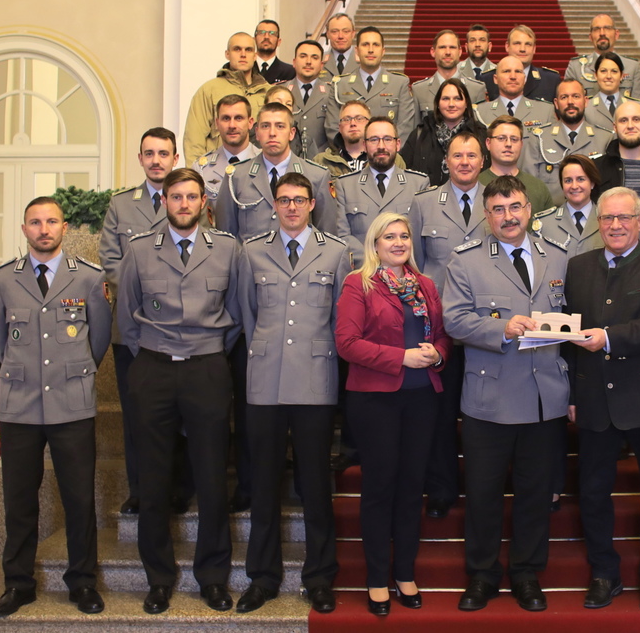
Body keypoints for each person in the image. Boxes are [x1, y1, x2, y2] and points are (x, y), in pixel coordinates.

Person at [443, 176, 570, 612]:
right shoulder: (466, 261)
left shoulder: (557, 257)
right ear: (486, 213)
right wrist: (502, 327)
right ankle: (481, 574)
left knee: (536, 492)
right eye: (498, 209)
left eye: (515, 207)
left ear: (529, 209)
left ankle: (526, 572)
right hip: (489, 398)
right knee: (482, 492)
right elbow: (454, 321)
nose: (508, 216)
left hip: (544, 395)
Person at [118, 168, 242, 615]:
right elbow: (129, 319)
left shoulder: (228, 250)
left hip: (207, 367)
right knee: (153, 480)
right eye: (176, 197)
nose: (184, 204)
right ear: (164, 202)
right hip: (153, 367)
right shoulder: (139, 251)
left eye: (192, 196)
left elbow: (237, 314)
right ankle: (159, 579)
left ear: (204, 202)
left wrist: (207, 351)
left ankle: (212, 577)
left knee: (211, 478)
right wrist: (154, 352)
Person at [0, 197, 111, 618]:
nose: (44, 229)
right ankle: (18, 584)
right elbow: (0, 343)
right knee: (20, 499)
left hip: (71, 403)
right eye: (35, 222)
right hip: (20, 406)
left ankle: (82, 583)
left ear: (64, 227)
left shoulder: (89, 279)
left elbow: (98, 340)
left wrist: (72, 373)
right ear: (24, 229)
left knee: (79, 498)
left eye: (52, 221)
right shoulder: (3, 279)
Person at [564, 186, 640, 613]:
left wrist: (610, 338)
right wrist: (573, 393)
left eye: (624, 218)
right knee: (593, 493)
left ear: (639, 220)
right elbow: (568, 335)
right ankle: (604, 574)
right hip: (595, 398)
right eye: (607, 219)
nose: (615, 226)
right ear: (598, 224)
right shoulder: (578, 267)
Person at [235, 172, 349, 615]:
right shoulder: (251, 252)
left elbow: (341, 320)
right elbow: (245, 312)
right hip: (265, 380)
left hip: (315, 379)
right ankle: (262, 577)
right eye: (284, 200)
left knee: (316, 484)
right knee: (263, 483)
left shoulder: (336, 252)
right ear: (274, 204)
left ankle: (320, 577)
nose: (292, 208)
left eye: (300, 200)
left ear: (313, 204)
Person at [335, 212, 452, 615]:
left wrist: (438, 353)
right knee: (380, 488)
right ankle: (375, 578)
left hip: (422, 398)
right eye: (390, 236)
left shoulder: (425, 285)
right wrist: (400, 357)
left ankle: (404, 572)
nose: (399, 242)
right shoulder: (359, 283)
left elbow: (440, 335)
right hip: (376, 400)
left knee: (411, 488)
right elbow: (347, 343)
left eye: (404, 236)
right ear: (375, 243)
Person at [409, 131, 488, 518]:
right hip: (439, 330)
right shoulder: (424, 204)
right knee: (439, 415)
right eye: (458, 155)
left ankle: (482, 485)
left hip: (488, 330)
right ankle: (441, 488)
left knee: (483, 414)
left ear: (483, 160)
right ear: (446, 160)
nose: (465, 162)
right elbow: (417, 269)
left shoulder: (498, 201)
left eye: (472, 155)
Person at [100, 128, 177, 517]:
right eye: (149, 153)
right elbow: (111, 261)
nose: (156, 160)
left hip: (175, 327)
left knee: (175, 417)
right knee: (136, 414)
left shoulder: (185, 198)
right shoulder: (121, 205)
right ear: (140, 158)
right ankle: (139, 491)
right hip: (130, 326)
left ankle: (176, 489)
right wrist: (147, 291)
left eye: (164, 153)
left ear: (175, 158)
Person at [216, 102, 334, 239]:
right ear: (257, 133)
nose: (272, 133)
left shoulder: (316, 176)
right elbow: (225, 238)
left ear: (291, 133)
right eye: (265, 126)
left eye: (280, 126)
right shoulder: (236, 176)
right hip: (250, 259)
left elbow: (327, 238)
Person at [337, 116, 430, 263]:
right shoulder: (345, 185)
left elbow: (421, 239)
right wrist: (373, 262)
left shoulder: (419, 183)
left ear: (397, 144)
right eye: (374, 140)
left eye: (387, 139)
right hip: (362, 275)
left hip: (405, 275)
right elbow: (342, 235)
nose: (381, 146)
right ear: (364, 145)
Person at [183, 32, 269, 165]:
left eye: (248, 50)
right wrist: (195, 179)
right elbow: (194, 139)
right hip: (216, 171)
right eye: (237, 49)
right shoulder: (209, 90)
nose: (243, 54)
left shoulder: (268, 92)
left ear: (255, 56)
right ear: (227, 54)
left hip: (259, 169)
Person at [522, 79, 613, 203]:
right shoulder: (539, 138)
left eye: (576, 96)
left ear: (586, 101)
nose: (570, 102)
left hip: (593, 216)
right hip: (550, 216)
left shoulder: (605, 138)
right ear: (556, 103)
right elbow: (530, 185)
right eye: (564, 97)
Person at [327, 26, 416, 141]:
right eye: (365, 45)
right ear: (357, 51)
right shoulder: (340, 85)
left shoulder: (399, 84)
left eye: (376, 45)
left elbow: (405, 128)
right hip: (348, 156)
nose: (370, 50)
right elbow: (333, 127)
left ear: (383, 51)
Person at [402, 79, 486, 187]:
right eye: (446, 99)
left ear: (466, 104)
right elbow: (406, 172)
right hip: (427, 200)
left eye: (457, 99)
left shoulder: (480, 134)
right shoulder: (421, 133)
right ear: (437, 103)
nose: (451, 104)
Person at [195, 95, 260, 222]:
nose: (232, 125)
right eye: (226, 118)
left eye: (238, 118)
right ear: (217, 123)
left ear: (250, 122)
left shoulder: (266, 163)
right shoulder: (201, 169)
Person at [479, 115, 553, 214]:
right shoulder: (475, 185)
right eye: (501, 138)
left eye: (514, 139)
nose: (508, 144)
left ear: (521, 144)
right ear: (488, 143)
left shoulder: (538, 187)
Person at [534, 154, 604, 257]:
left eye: (580, 179)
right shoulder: (544, 224)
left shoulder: (608, 220)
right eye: (568, 180)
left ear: (592, 183)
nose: (574, 186)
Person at [314, 100, 406, 176]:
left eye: (359, 118)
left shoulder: (392, 159)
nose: (353, 123)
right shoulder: (321, 161)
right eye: (347, 119)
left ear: (369, 124)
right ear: (340, 127)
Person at [565, 14, 640, 100]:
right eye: (596, 29)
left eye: (607, 28)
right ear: (590, 37)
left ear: (616, 34)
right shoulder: (576, 68)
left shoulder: (632, 67)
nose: (602, 33)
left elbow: (639, 106)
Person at [412, 30, 487, 119]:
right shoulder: (419, 90)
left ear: (459, 51)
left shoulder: (476, 89)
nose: (448, 52)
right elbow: (415, 129)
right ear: (433, 51)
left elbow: (480, 129)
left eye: (452, 47)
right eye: (442, 47)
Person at [478, 25, 560, 102]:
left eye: (528, 44)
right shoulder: (486, 80)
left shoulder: (551, 80)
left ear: (534, 48)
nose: (522, 49)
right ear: (507, 46)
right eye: (517, 43)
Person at [474, 56, 555, 132]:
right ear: (495, 79)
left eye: (518, 71)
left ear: (524, 79)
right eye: (506, 71)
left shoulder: (545, 111)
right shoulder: (479, 113)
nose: (513, 76)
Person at [286, 39, 336, 159]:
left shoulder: (332, 93)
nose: (308, 62)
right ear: (294, 62)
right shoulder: (281, 91)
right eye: (303, 56)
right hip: (287, 159)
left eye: (314, 57)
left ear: (321, 64)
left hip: (321, 161)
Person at [583, 52, 639, 131]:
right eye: (603, 71)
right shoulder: (586, 107)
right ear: (595, 75)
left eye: (614, 71)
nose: (608, 76)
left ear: (621, 76)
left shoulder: (635, 106)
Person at [254, 20, 296, 84]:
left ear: (279, 42)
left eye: (272, 33)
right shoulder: (245, 68)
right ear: (254, 39)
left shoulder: (290, 72)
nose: (266, 37)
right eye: (261, 32)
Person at [322, 13, 356, 79]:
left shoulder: (364, 61)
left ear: (353, 34)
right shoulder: (319, 61)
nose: (340, 36)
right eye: (335, 32)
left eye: (346, 31)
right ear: (327, 34)